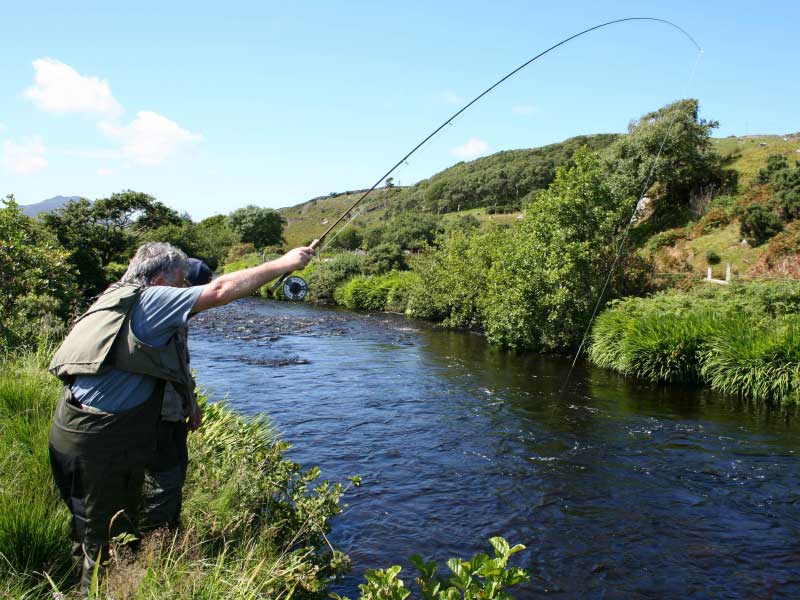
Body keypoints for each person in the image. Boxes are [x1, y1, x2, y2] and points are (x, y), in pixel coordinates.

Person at [48, 241, 314, 591]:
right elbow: (219, 290)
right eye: (180, 280)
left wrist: (189, 402)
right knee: (105, 540)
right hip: (101, 442)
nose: (185, 288)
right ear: (159, 280)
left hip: (75, 431)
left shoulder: (114, 296)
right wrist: (284, 263)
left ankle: (104, 583)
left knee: (91, 528)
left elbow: (155, 360)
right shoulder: (152, 300)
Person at [141, 258, 211, 532]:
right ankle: (156, 547)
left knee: (170, 478)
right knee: (163, 482)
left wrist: (191, 405)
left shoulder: (175, 317)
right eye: (189, 290)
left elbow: (179, 366)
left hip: (171, 414)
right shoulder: (157, 313)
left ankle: (164, 533)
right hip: (155, 417)